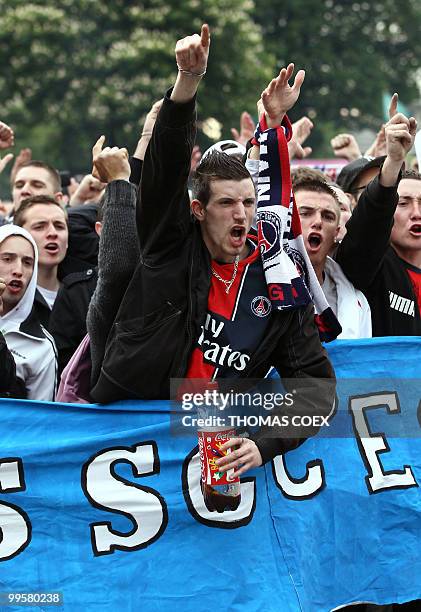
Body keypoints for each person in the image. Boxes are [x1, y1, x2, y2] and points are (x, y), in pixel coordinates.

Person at [87, 25, 336, 475]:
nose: (241, 214)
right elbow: (163, 170)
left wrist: (263, 446)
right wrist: (188, 81)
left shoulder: (279, 279)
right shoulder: (171, 244)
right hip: (125, 433)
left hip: (212, 455)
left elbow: (317, 390)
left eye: (248, 203)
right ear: (199, 209)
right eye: (226, 203)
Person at [335, 95, 420, 336]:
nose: (416, 213)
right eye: (402, 203)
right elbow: (367, 229)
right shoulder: (370, 269)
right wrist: (394, 162)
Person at [292, 171, 371, 339]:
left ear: (336, 232)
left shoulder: (358, 302)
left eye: (327, 216)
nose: (318, 222)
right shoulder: (258, 284)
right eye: (305, 213)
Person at [0, 224, 57, 400]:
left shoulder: (42, 346)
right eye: (7, 259)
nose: (18, 270)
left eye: (27, 262)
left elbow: (41, 419)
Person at [14, 195, 69, 327]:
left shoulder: (86, 293)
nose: (53, 233)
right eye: (40, 227)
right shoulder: (7, 297)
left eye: (59, 226)